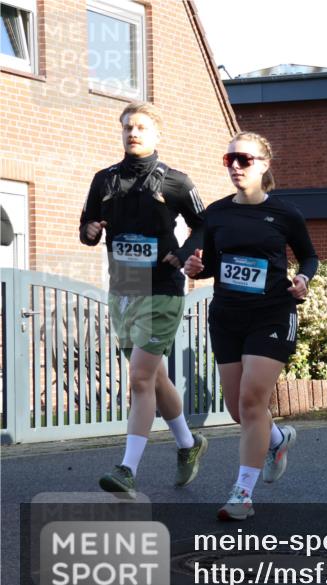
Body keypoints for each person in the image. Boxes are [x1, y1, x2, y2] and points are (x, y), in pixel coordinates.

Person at [184, 131, 317, 520]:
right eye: (230, 161)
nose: (237, 167)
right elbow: (212, 263)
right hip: (227, 315)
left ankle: (242, 493)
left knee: (252, 400)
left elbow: (309, 258)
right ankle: (276, 441)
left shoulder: (285, 213)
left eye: (244, 159)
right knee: (238, 408)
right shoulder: (217, 212)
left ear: (264, 164)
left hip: (272, 313)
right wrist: (197, 267)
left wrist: (304, 280)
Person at [81, 101, 208, 498]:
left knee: (138, 377)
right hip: (123, 288)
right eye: (127, 127)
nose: (132, 133)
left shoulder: (176, 182)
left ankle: (126, 470)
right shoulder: (103, 180)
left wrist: (187, 252)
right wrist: (91, 230)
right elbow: (86, 229)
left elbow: (205, 226)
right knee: (154, 376)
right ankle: (189, 444)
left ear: (156, 134)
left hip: (163, 290)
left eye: (140, 128)